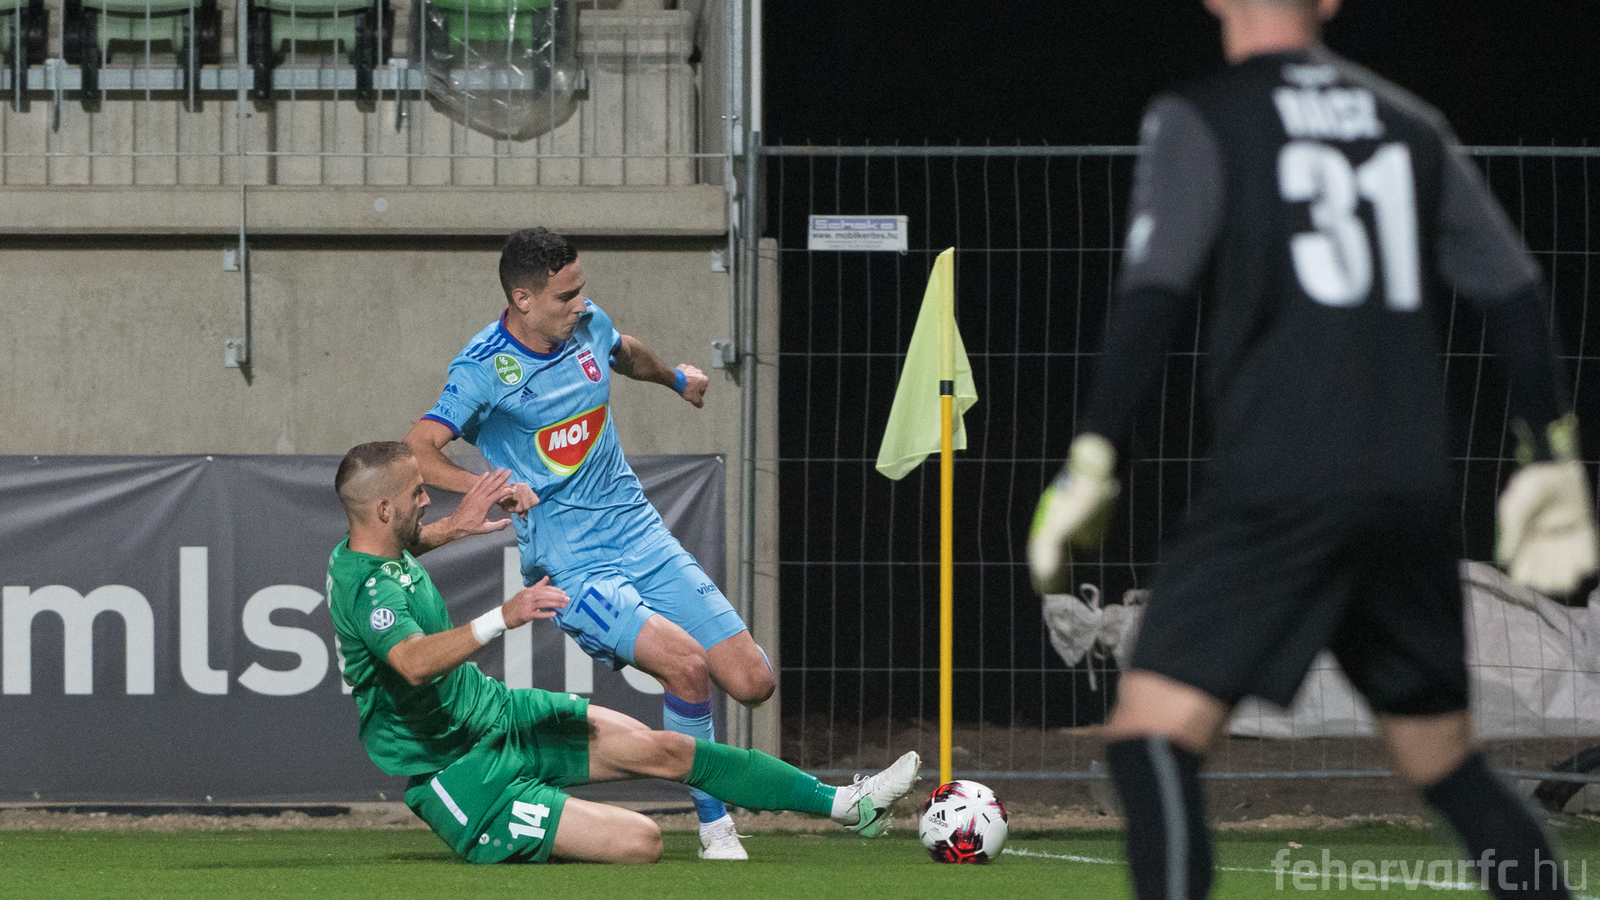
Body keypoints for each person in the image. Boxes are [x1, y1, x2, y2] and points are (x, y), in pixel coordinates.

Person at [1027, 1, 1599, 899]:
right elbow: (1516, 293)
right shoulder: (1410, 123)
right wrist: (1554, 455)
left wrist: (1094, 455)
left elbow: (1153, 297)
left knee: (1149, 741)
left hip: (1278, 479)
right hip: (1406, 491)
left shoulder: (1201, 115)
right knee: (1445, 762)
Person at [327, 441, 920, 865]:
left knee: (667, 749)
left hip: (497, 715)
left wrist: (453, 528)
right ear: (383, 510)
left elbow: (400, 550)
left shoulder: (371, 549)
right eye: (418, 493)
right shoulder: (366, 587)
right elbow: (411, 662)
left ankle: (848, 804)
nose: (427, 499)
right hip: (457, 773)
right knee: (642, 842)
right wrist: (503, 616)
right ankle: (530, 809)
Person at [402, 228, 773, 859]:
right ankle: (715, 828)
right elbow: (418, 449)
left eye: (582, 290)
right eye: (565, 296)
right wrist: (490, 486)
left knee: (753, 681)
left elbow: (624, 351)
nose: (581, 304)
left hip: (640, 533)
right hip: (572, 566)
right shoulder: (484, 368)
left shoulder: (588, 324)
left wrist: (675, 379)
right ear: (522, 298)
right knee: (686, 667)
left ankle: (719, 785)